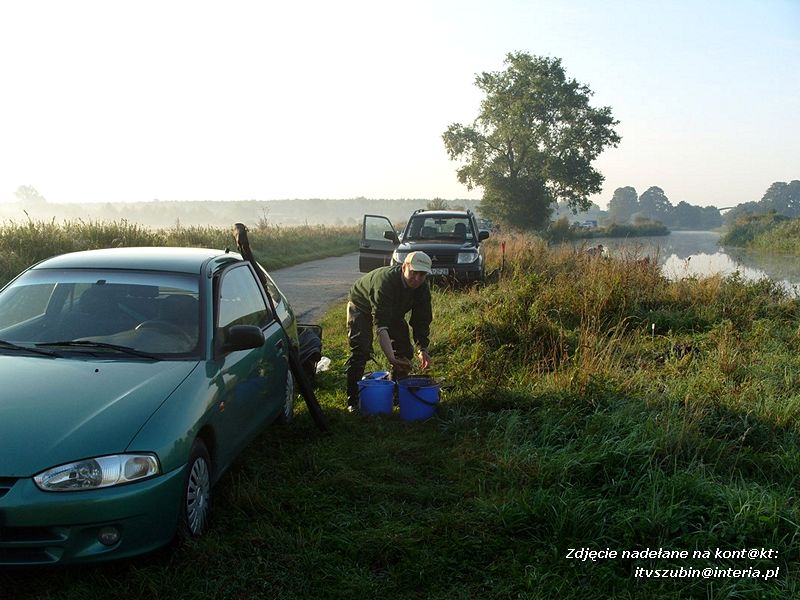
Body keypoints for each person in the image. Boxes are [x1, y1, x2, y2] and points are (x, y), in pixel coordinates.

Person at [345, 251, 433, 412]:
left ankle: (397, 393)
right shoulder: (385, 282)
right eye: (414, 273)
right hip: (361, 304)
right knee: (361, 350)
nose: (417, 279)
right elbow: (381, 327)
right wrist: (391, 358)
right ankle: (353, 399)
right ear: (404, 267)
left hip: (393, 310)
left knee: (404, 350)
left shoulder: (422, 289)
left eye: (422, 275)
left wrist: (422, 349)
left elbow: (421, 320)